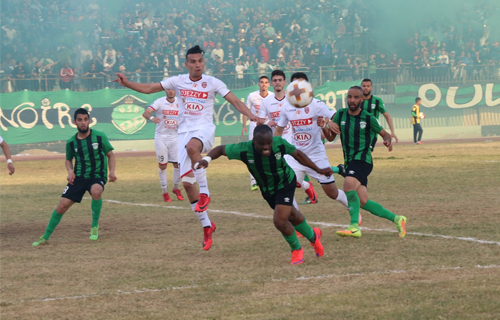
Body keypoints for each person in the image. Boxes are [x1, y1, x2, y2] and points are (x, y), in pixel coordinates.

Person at [114, 45, 259, 251]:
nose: (197, 64)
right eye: (193, 61)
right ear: (186, 64)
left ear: (203, 62)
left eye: (200, 61)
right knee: (188, 184)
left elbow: (235, 100)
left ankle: (206, 193)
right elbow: (148, 88)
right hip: (182, 134)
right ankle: (207, 226)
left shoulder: (213, 82)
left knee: (193, 148)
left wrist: (253, 116)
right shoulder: (177, 81)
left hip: (204, 131)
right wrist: (126, 83)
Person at [197, 125, 332, 265]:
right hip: (268, 190)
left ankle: (296, 249)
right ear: (254, 140)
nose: (266, 147)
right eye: (262, 144)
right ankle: (313, 236)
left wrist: (318, 169)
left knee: (280, 221)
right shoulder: (244, 149)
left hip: (285, 182)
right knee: (292, 215)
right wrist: (206, 160)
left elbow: (297, 154)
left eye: (269, 143)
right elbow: (220, 149)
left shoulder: (279, 143)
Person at [327, 86, 407, 238]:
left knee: (348, 185)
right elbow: (330, 137)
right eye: (349, 97)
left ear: (361, 100)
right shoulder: (341, 115)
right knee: (363, 201)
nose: (352, 100)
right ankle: (397, 219)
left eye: (356, 97)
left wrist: (388, 141)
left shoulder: (368, 118)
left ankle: (354, 227)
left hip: (364, 160)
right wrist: (326, 126)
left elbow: (385, 134)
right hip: (351, 162)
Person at [32, 108, 117, 246]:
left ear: (89, 120)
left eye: (85, 119)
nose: (83, 123)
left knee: (96, 191)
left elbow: (110, 154)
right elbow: (68, 159)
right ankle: (45, 237)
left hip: (97, 175)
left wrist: (112, 172)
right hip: (79, 177)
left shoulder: (100, 136)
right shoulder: (71, 142)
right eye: (79, 120)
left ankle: (94, 227)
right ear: (74, 122)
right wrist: (70, 171)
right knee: (61, 206)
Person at [275, 72, 349, 212]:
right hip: (295, 156)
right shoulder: (286, 107)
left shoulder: (316, 104)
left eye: (302, 85)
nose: (298, 89)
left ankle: (352, 208)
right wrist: (273, 148)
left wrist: (330, 122)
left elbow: (335, 117)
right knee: (285, 190)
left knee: (331, 193)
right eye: (295, 85)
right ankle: (299, 225)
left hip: (316, 155)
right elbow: (279, 131)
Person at [258, 70, 318, 204]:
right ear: (271, 83)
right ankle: (306, 188)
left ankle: (291, 202)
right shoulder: (266, 102)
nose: (278, 83)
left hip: (293, 143)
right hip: (276, 142)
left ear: (285, 82)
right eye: (275, 80)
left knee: (287, 177)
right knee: (284, 177)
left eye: (280, 80)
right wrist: (269, 122)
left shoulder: (293, 98)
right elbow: (259, 121)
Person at [142, 89, 184, 202]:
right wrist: (152, 118)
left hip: (175, 137)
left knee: (178, 164)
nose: (171, 92)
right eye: (168, 89)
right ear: (166, 90)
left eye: (173, 89)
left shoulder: (181, 102)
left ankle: (176, 188)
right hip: (161, 138)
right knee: (163, 166)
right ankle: (164, 192)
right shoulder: (159, 102)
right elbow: (145, 113)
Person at [241, 75, 273, 191]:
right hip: (254, 128)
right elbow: (245, 111)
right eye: (261, 82)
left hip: (268, 128)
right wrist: (244, 126)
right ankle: (253, 181)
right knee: (253, 152)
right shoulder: (252, 96)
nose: (264, 84)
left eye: (266, 82)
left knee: (269, 152)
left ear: (268, 84)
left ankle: (268, 178)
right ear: (258, 84)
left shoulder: (272, 97)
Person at [360, 79, 398, 149]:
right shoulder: (357, 100)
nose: (366, 88)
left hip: (372, 133)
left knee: (367, 151)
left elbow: (387, 116)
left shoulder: (377, 101)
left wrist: (392, 132)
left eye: (368, 86)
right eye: (364, 86)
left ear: (371, 88)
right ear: (361, 87)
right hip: (358, 131)